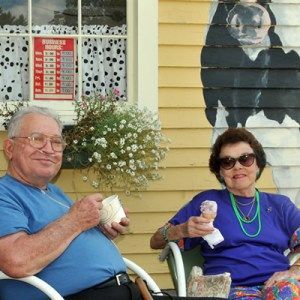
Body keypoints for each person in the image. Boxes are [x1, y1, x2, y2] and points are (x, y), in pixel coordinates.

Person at [0, 106, 142, 300]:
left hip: (123, 290)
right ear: (10, 148)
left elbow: (64, 237)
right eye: (37, 139)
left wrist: (99, 230)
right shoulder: (5, 193)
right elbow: (16, 261)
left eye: (56, 142)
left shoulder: (54, 192)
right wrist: (76, 220)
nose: (49, 149)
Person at [150, 128, 300, 299]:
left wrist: (295, 270)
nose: (237, 166)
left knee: (289, 292)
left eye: (246, 159)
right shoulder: (206, 203)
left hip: (277, 285)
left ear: (257, 164)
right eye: (227, 162)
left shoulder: (280, 205)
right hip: (229, 290)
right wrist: (181, 230)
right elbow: (155, 241)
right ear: (220, 171)